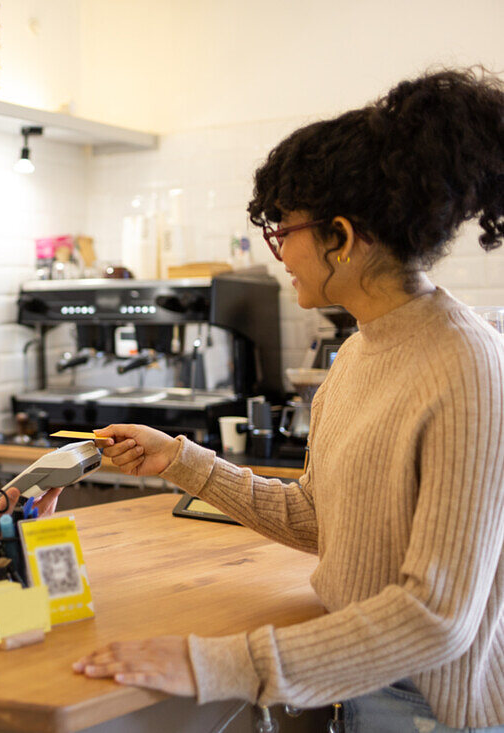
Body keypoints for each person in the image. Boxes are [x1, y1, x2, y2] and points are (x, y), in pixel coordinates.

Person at [73, 68, 504, 732]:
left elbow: (436, 618)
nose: (279, 255)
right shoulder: (359, 351)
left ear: (342, 236)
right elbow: (320, 516)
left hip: (429, 706)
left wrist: (211, 663)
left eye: (284, 230)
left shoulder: (466, 364)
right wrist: (183, 461)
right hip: (352, 680)